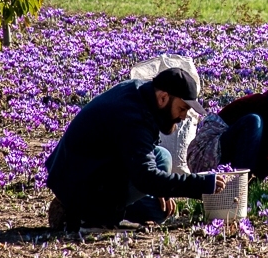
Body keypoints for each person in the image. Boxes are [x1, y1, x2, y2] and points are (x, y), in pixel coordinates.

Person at [46, 67, 226, 230]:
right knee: (155, 201)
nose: (184, 116)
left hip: (94, 168)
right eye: (182, 108)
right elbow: (145, 177)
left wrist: (163, 188)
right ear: (163, 97)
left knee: (161, 160)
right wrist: (200, 186)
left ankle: (85, 208)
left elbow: (143, 157)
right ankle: (82, 215)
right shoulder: (133, 116)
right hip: (81, 181)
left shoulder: (141, 93)